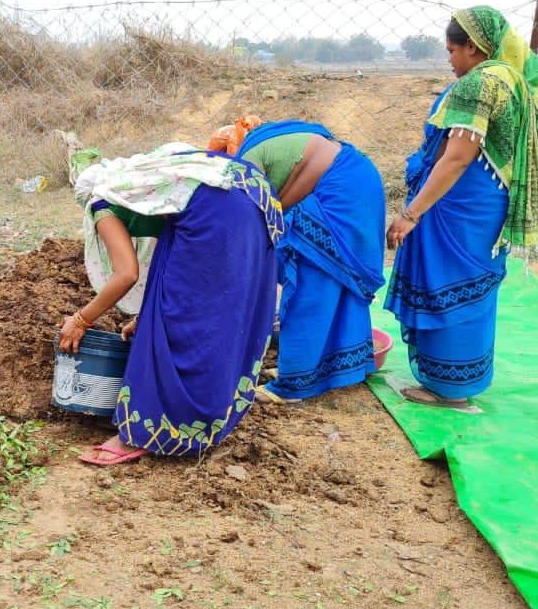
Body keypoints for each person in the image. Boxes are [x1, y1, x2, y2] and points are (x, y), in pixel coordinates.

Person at [57, 143, 284, 465]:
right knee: (222, 314)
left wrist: (81, 319)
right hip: (255, 196)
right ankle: (204, 422)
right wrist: (149, 317)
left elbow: (126, 274)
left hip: (219, 207)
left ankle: (151, 432)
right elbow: (167, 267)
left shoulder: (102, 198)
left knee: (185, 320)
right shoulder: (147, 182)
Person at [383, 5, 538, 406]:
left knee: (448, 283)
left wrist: (411, 214)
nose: (450, 60)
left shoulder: (479, 84)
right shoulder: (512, 80)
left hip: (460, 204)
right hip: (487, 202)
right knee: (475, 290)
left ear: (474, 48)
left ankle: (448, 388)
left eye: (451, 51)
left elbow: (458, 157)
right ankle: (465, 381)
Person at [209, 116, 387, 403]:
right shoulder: (268, 141)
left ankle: (294, 383)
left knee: (308, 282)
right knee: (333, 282)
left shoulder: (247, 161)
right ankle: (337, 367)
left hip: (341, 192)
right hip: (357, 179)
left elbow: (256, 218)